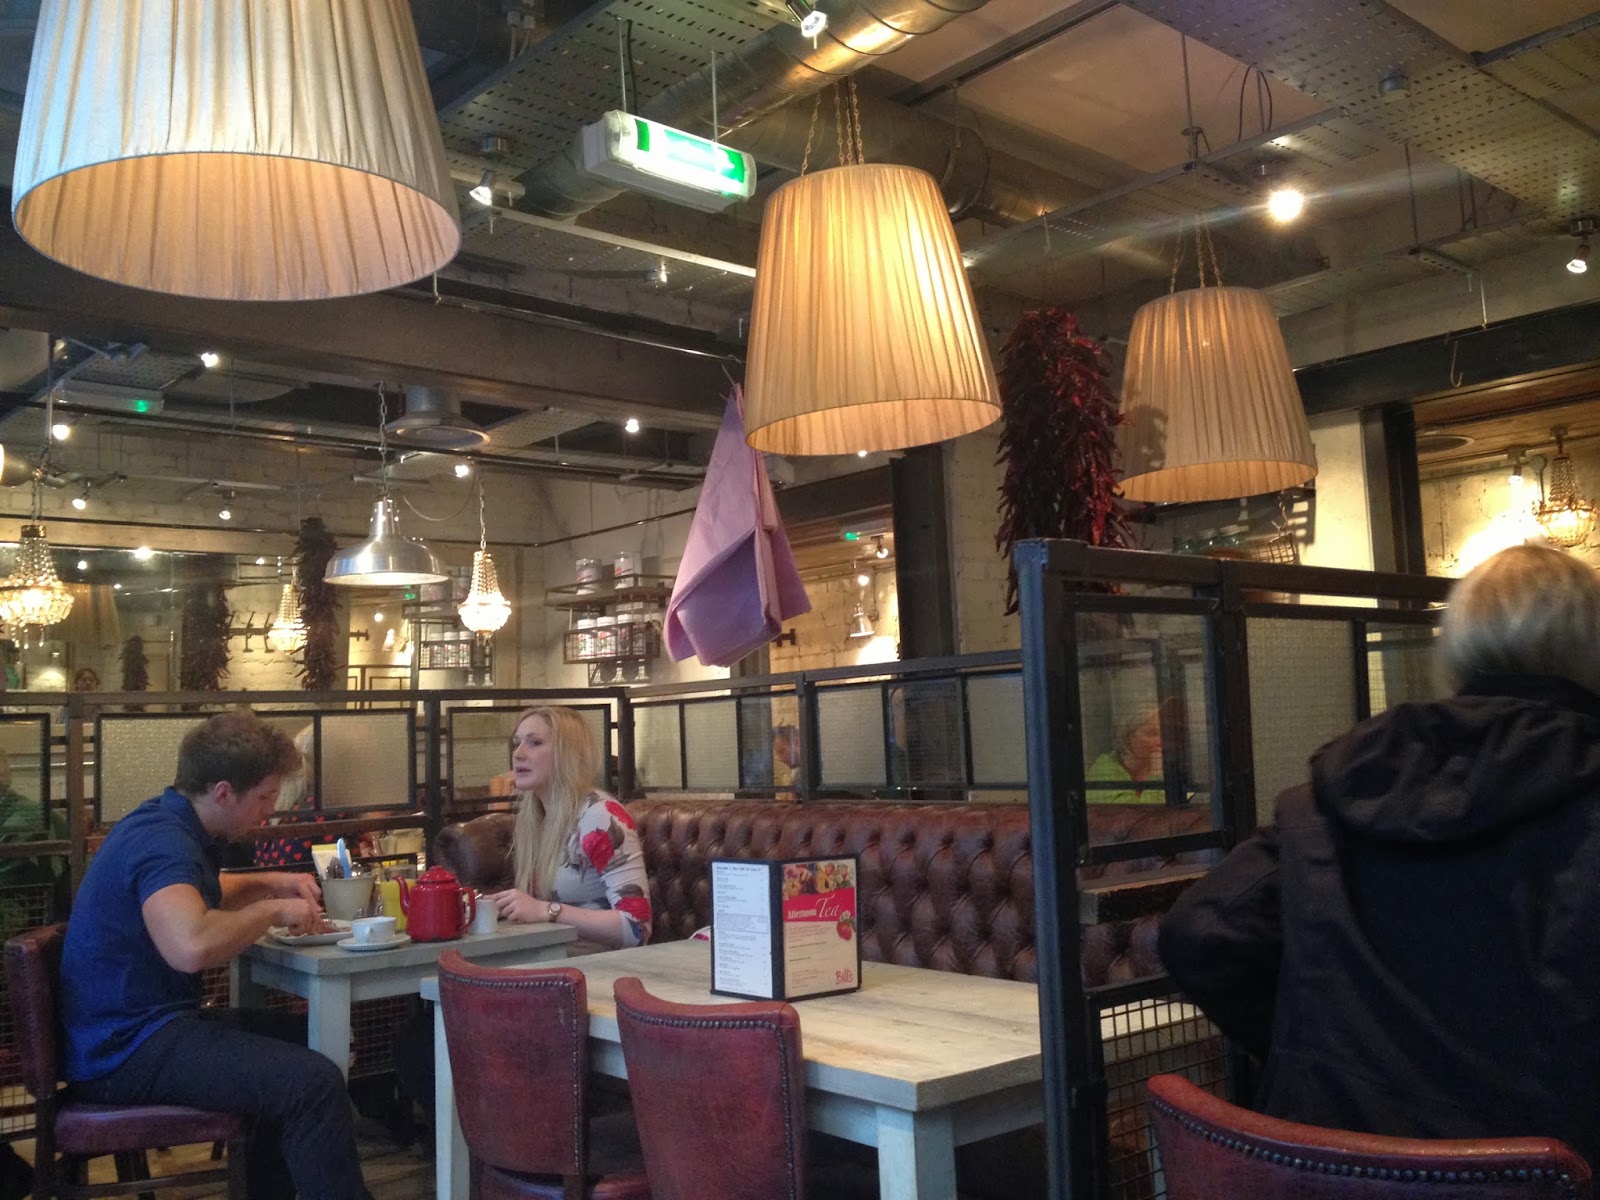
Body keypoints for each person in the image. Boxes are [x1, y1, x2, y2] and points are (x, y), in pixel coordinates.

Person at [1159, 543, 1600, 1166]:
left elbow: (1199, 933)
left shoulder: (1345, 785)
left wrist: (1317, 1050)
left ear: (1456, 647)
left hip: (1331, 1167)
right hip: (1551, 1169)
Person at [59, 710, 370, 1200]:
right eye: (263, 798)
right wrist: (273, 909)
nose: (268, 811)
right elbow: (191, 945)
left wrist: (272, 882)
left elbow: (196, 893)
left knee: (311, 1040)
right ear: (223, 792)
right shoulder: (163, 842)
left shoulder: (163, 823)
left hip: (128, 1032)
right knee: (312, 1084)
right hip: (125, 1049)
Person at [490, 706, 652, 948]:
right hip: (550, 957)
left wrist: (547, 910)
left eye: (534, 743)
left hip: (599, 963)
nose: (518, 754)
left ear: (567, 754)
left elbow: (637, 928)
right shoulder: (534, 815)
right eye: (517, 744)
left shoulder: (600, 816)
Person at [1084, 706, 1164, 803]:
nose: (1160, 741)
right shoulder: (1103, 771)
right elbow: (1140, 812)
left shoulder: (1163, 767)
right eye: (1151, 733)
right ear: (1127, 737)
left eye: (1162, 734)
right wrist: (1156, 777)